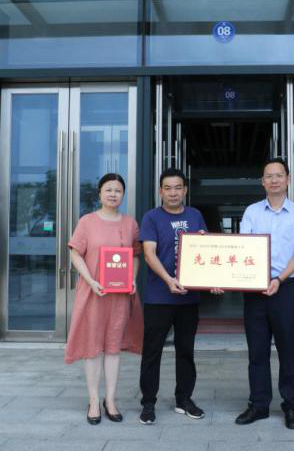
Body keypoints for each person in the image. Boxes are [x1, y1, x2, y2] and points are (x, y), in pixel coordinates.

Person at [235, 158, 294, 430]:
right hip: (254, 289)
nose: (274, 180)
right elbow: (243, 248)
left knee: (288, 350)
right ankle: (258, 405)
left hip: (286, 288)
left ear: (288, 179)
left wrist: (278, 280)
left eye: (279, 175)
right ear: (262, 182)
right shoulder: (252, 212)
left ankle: (292, 406)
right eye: (268, 176)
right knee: (257, 351)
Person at [64, 173, 143, 426]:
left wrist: (132, 279)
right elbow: (75, 253)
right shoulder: (87, 221)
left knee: (113, 347)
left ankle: (110, 400)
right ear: (99, 193)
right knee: (92, 348)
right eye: (108, 189)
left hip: (119, 295)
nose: (113, 194)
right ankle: (93, 401)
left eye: (118, 190)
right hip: (93, 293)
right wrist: (90, 280)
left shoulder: (130, 223)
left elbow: (135, 255)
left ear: (123, 195)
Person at [137, 168, 211, 425]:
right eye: (167, 188)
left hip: (188, 299)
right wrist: (169, 280)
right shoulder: (151, 217)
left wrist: (213, 279)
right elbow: (149, 254)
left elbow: (206, 249)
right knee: (152, 351)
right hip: (159, 297)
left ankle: (184, 399)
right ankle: (148, 403)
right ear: (161, 191)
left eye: (178, 187)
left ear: (185, 190)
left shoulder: (195, 215)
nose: (173, 192)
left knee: (186, 351)